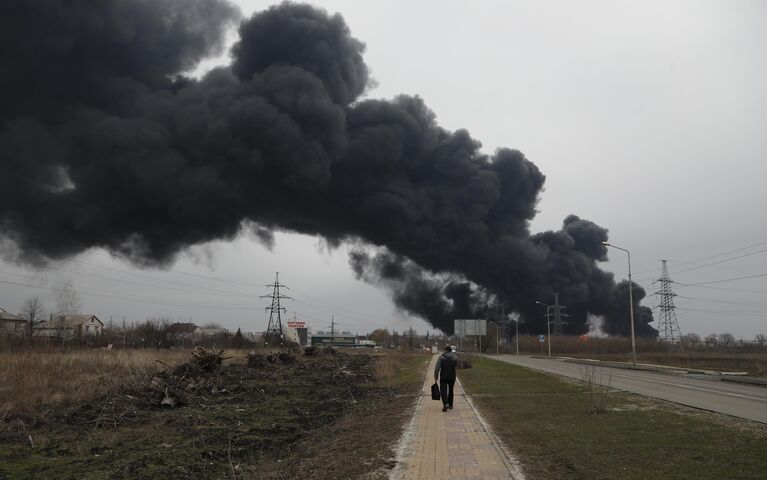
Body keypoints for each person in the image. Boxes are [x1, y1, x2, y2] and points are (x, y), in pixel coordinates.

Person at [434, 345, 458, 412]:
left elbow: (437, 368)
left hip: (443, 377)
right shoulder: (455, 357)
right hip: (452, 376)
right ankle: (450, 405)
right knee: (451, 390)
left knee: (443, 390)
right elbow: (457, 365)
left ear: (446, 350)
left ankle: (446, 403)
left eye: (445, 350)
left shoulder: (441, 357)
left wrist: (436, 377)